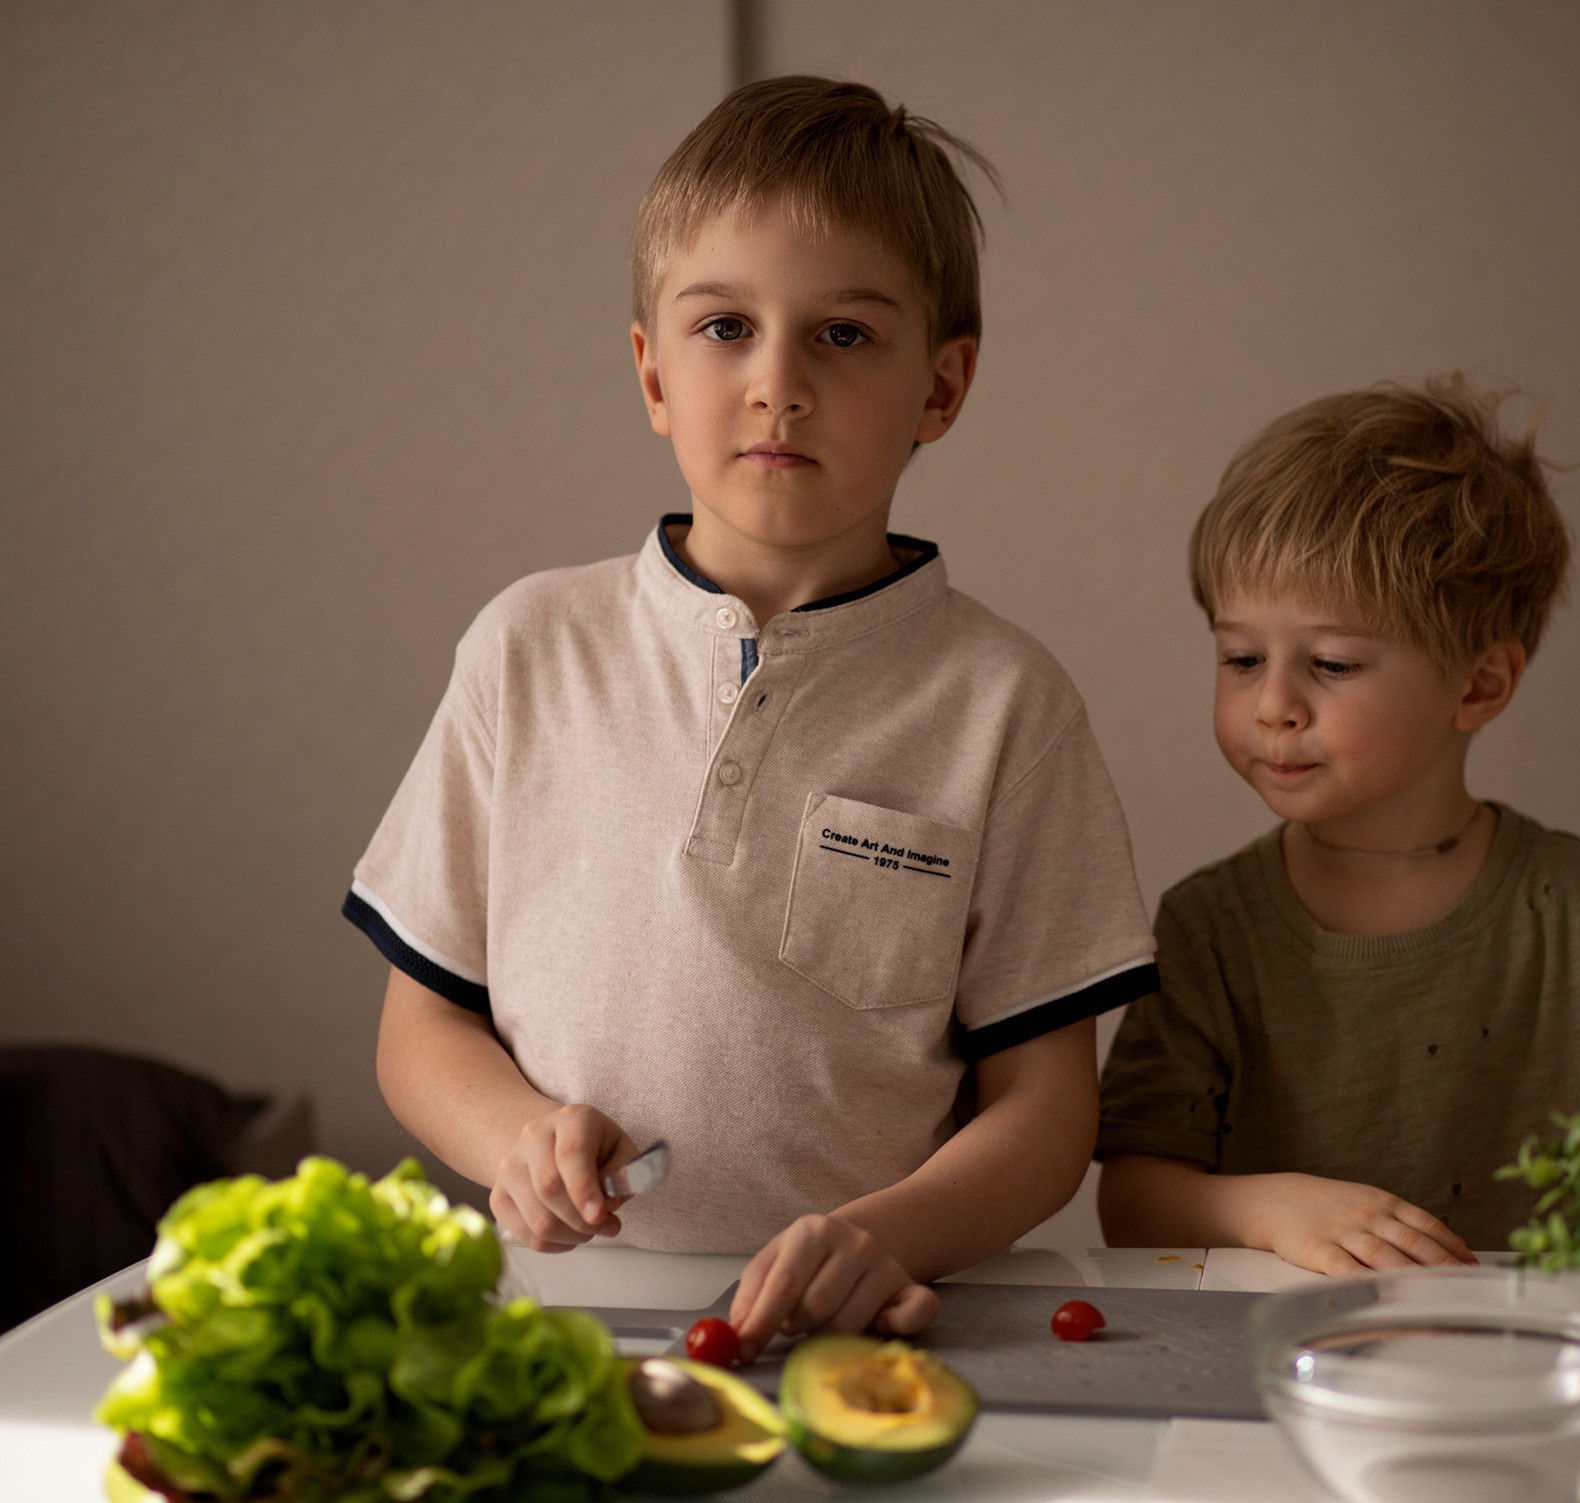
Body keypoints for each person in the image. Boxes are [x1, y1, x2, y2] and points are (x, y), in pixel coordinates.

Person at [346, 77, 1157, 1359]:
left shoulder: (1005, 702)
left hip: (887, 1328)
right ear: (650, 372)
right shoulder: (527, 648)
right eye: (724, 326)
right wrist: (514, 1138)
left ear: (941, 389)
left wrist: (889, 1232)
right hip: (562, 1322)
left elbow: (1049, 1114)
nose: (777, 383)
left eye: (842, 336)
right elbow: (420, 1028)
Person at [1096, 377, 1580, 1270]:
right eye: (1242, 657)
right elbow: (1134, 1201)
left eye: (1332, 662)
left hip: (1550, 1372)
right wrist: (1270, 1210)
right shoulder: (1209, 931)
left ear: (1480, 684)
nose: (1273, 705)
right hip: (1279, 1380)